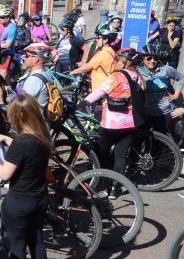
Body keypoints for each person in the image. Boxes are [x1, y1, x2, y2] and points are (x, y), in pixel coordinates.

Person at [0, 94, 51, 259]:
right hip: (39, 199)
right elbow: (27, 151)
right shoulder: (42, 138)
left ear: (18, 116)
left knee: (17, 247)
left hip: (19, 203)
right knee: (37, 242)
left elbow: (5, 173)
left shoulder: (21, 143)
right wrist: (6, 139)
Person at [84, 48, 145, 194]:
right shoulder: (138, 77)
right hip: (130, 123)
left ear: (124, 62)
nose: (115, 62)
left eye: (117, 60)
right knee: (120, 155)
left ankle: (99, 182)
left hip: (111, 124)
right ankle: (114, 188)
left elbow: (99, 93)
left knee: (98, 152)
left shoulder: (116, 76)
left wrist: (83, 103)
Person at [140, 44, 184, 134]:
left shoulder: (165, 69)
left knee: (164, 138)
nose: (152, 61)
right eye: (149, 58)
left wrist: (177, 93)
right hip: (147, 113)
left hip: (166, 112)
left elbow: (181, 77)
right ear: (143, 59)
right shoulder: (138, 72)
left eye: (155, 58)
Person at [70, 27, 117, 92]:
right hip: (107, 83)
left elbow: (87, 67)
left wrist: (73, 72)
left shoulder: (102, 54)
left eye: (98, 38)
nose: (96, 40)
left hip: (99, 86)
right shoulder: (111, 51)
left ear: (106, 40)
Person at [16, 44, 55, 108]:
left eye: (27, 56)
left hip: (32, 117)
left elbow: (21, 102)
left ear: (35, 59)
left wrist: (12, 96)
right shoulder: (46, 73)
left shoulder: (34, 80)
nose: (23, 58)